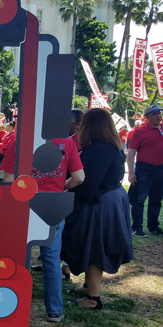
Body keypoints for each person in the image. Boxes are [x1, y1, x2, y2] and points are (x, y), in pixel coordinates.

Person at [1, 132, 84, 322]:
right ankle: (54, 310)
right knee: (52, 260)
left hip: (24, 206)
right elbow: (79, 177)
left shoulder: (21, 139)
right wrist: (61, 186)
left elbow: (7, 179)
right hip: (53, 206)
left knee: (20, 260)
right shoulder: (67, 142)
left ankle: (12, 310)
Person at [64, 108, 133, 310]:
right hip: (107, 200)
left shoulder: (99, 150)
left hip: (100, 204)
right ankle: (88, 287)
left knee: (95, 249)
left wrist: (65, 187)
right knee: (92, 245)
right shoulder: (109, 146)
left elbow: (88, 183)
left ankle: (93, 298)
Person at [127, 105, 163, 237]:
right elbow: (131, 153)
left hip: (161, 170)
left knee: (157, 199)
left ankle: (153, 226)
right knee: (139, 199)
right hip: (145, 169)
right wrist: (131, 173)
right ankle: (136, 227)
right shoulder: (140, 132)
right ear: (147, 117)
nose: (158, 116)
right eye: (155, 114)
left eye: (159, 113)